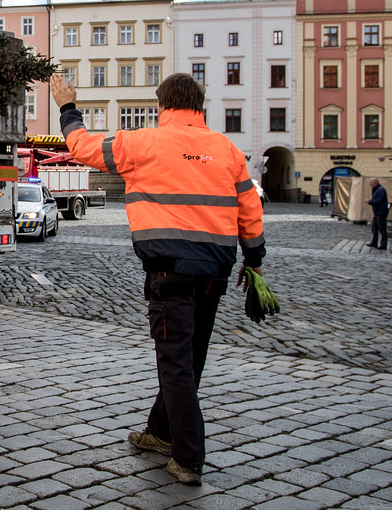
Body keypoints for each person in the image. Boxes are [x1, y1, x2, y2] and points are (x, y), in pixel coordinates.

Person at [49, 72, 266, 487]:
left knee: (174, 364)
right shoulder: (227, 150)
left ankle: (188, 458)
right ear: (200, 105)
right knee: (191, 359)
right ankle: (161, 433)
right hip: (215, 271)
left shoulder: (142, 142)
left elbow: (82, 148)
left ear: (163, 104)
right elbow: (249, 212)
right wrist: (254, 261)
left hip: (170, 270)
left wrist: (67, 106)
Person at [367, 178, 388, 250]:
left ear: (375, 183)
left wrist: (370, 201)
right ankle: (374, 242)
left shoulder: (380, 190)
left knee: (382, 229)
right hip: (377, 213)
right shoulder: (377, 189)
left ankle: (383, 244)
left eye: (371, 183)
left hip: (380, 212)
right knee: (374, 228)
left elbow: (379, 200)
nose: (370, 184)